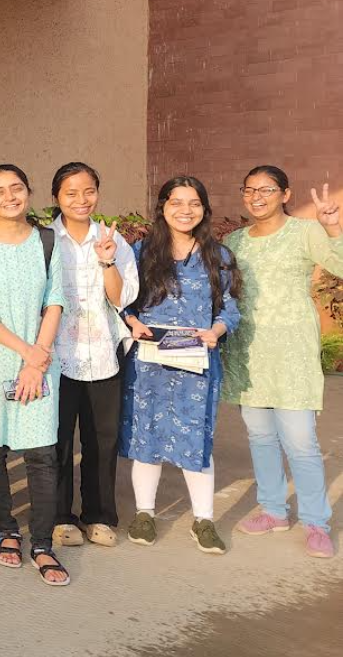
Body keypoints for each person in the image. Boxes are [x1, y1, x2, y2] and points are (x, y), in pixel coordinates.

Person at [224, 167, 342, 559]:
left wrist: (333, 228)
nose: (257, 197)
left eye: (267, 189)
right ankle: (273, 510)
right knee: (260, 437)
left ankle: (316, 522)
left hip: (293, 353)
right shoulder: (234, 241)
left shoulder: (305, 231)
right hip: (249, 353)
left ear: (286, 194)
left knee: (301, 442)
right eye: (249, 190)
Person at [121, 176, 241, 555]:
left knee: (196, 441)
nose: (185, 210)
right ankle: (144, 513)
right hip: (149, 366)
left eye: (194, 203)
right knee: (147, 439)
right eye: (176, 202)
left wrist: (217, 330)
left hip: (196, 366)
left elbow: (231, 309)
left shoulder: (218, 257)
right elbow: (121, 301)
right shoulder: (140, 252)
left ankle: (203, 519)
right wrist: (131, 320)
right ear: (162, 207)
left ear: (204, 209)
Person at [0, 165, 69, 586]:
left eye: (17, 188)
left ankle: (42, 544)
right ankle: (6, 530)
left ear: (29, 191)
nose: (9, 197)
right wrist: (25, 352)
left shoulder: (47, 240)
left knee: (43, 454)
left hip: (40, 361)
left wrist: (36, 358)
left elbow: (55, 300)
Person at [48, 162, 138, 548]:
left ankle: (99, 515)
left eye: (89, 191)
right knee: (57, 440)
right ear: (56, 197)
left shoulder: (113, 240)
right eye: (71, 193)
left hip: (102, 353)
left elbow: (121, 298)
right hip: (56, 354)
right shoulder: (45, 240)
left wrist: (107, 261)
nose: (81, 200)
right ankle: (59, 516)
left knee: (102, 439)